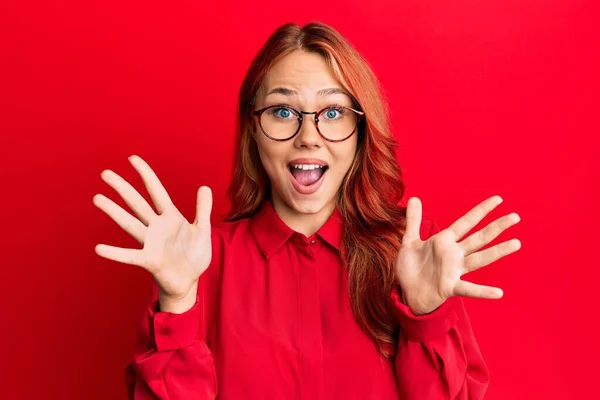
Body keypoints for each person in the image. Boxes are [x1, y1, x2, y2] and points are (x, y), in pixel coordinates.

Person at [93, 22, 521, 400]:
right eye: (283, 111)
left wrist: (424, 316)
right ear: (253, 131)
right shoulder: (199, 263)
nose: (309, 137)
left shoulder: (410, 257)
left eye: (332, 112)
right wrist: (179, 301)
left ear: (360, 131)